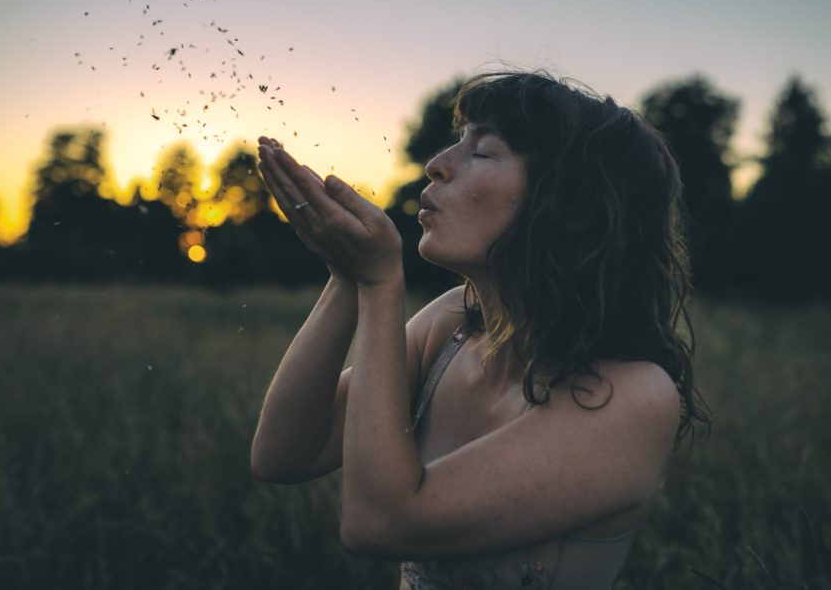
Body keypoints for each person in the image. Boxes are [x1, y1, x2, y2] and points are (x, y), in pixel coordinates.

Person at [250, 70, 710, 589]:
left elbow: (378, 523)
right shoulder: (449, 328)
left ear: (564, 202)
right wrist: (346, 275)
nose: (436, 165)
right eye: (457, 142)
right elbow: (283, 453)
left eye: (483, 152)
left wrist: (379, 283)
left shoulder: (632, 397)